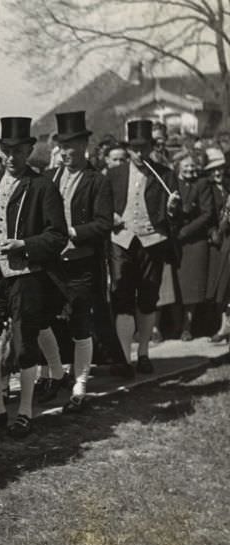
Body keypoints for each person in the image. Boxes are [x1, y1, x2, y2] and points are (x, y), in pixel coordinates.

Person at [0, 117, 68, 438]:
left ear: (29, 150)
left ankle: (24, 411)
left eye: (18, 150)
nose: (12, 157)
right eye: (7, 150)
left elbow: (57, 235)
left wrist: (25, 244)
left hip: (24, 274)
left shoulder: (42, 186)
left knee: (25, 343)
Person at [32, 111, 112, 411]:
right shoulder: (49, 177)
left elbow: (103, 223)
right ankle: (55, 373)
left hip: (80, 263)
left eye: (72, 146)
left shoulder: (97, 181)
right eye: (62, 146)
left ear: (84, 145)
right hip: (51, 264)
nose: (66, 153)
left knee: (80, 322)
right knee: (42, 318)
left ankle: (79, 385)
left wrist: (73, 231)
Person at [107, 119, 180, 376]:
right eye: (134, 148)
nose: (139, 153)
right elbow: (102, 206)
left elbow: (175, 215)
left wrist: (172, 210)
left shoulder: (165, 174)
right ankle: (125, 358)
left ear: (152, 146)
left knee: (148, 298)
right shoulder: (114, 174)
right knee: (122, 295)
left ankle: (144, 353)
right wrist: (110, 217)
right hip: (121, 240)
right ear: (128, 148)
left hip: (152, 241)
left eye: (144, 147)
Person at [171, 151, 213, 341]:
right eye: (186, 165)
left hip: (195, 240)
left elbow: (207, 213)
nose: (190, 169)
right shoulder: (172, 183)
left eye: (193, 166)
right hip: (174, 241)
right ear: (178, 166)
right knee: (175, 285)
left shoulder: (202, 184)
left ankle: (187, 327)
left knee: (192, 287)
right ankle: (175, 325)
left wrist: (185, 232)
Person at [206, 149, 230, 341]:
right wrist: (214, 231)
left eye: (220, 169)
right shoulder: (208, 189)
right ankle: (223, 325)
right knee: (221, 285)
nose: (217, 173)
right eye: (213, 170)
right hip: (219, 243)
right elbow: (206, 215)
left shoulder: (227, 187)